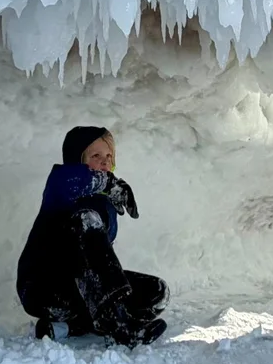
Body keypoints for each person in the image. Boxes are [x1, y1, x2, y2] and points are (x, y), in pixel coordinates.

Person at [16, 126, 168, 346]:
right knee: (86, 218)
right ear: (76, 159)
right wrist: (110, 183)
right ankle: (119, 327)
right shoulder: (60, 184)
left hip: (78, 290)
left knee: (157, 292)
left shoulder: (102, 203)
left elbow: (96, 266)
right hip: (43, 287)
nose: (105, 162)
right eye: (96, 156)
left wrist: (109, 189)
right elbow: (73, 182)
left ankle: (69, 327)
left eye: (109, 156)